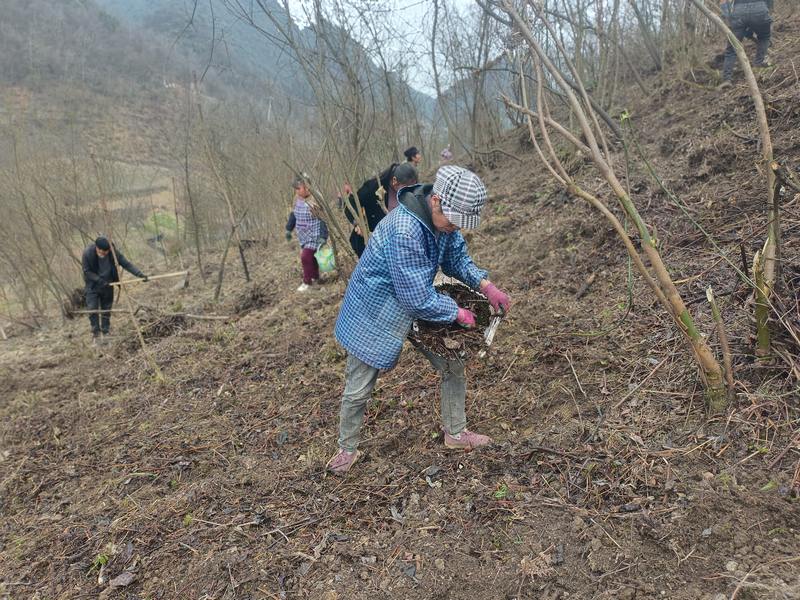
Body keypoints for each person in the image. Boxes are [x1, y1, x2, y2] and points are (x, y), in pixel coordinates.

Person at [327, 165, 511, 474]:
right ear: (436, 201)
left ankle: (456, 433)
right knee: (358, 388)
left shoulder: (443, 224)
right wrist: (457, 313)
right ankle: (347, 448)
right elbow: (413, 297)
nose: (454, 228)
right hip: (376, 308)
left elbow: (456, 259)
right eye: (452, 222)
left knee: (453, 361)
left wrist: (485, 285)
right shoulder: (404, 229)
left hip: (418, 295)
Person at [343, 163, 418, 257]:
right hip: (371, 244)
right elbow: (351, 203)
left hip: (396, 244)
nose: (409, 191)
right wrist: (358, 223)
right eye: (406, 188)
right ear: (395, 181)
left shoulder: (412, 191)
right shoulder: (373, 188)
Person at [81, 236, 146, 343]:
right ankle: (96, 334)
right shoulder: (88, 253)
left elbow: (126, 264)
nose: (103, 253)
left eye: (105, 251)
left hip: (108, 284)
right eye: (100, 251)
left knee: (106, 309)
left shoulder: (113, 253)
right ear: (96, 247)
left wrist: (139, 274)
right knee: (92, 309)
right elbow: (87, 271)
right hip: (92, 286)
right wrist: (100, 281)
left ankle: (106, 332)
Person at [285, 176, 328, 292]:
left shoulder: (315, 199)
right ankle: (316, 278)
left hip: (315, 234)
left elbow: (323, 218)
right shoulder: (297, 198)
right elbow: (294, 214)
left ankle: (307, 281)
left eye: (299, 189)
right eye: (296, 189)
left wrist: (323, 236)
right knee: (312, 258)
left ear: (307, 188)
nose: (297, 191)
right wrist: (289, 229)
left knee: (305, 256)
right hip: (303, 235)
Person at [718, 0, 773, 89]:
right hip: (760, 8)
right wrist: (767, 9)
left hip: (739, 12)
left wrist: (729, 16)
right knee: (764, 37)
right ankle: (758, 64)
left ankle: (727, 79)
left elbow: (723, 1)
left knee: (732, 48)